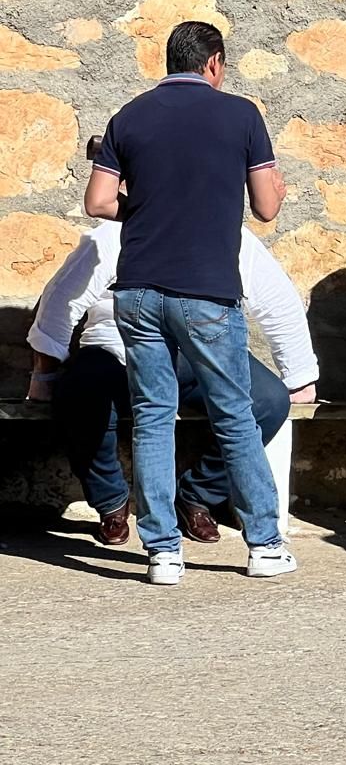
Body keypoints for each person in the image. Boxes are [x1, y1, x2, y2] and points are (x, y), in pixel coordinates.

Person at [83, 20, 295, 585]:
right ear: (215, 63)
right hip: (205, 292)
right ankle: (266, 545)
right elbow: (268, 207)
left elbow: (99, 201)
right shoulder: (241, 115)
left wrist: (146, 208)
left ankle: (162, 555)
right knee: (234, 416)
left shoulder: (128, 116)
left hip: (137, 290)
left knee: (153, 418)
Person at [26, 208, 317, 547]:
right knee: (79, 394)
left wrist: (298, 376)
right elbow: (60, 301)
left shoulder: (226, 233)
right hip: (117, 348)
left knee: (269, 401)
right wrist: (43, 378)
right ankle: (111, 502)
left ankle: (197, 495)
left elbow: (277, 301)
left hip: (200, 353)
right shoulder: (111, 236)